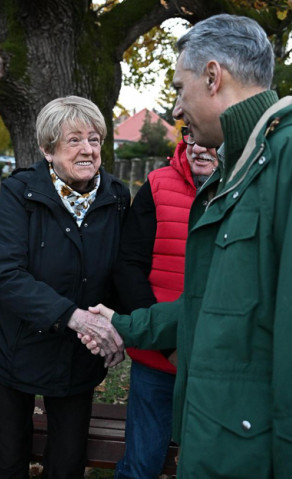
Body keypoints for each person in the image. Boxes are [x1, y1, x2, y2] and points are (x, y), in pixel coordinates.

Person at [82, 14, 292, 478]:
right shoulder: (245, 167)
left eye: (179, 87)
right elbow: (217, 308)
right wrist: (125, 324)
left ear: (212, 76)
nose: (176, 109)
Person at [0, 96, 130, 478]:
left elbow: (123, 273)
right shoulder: (21, 192)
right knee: (8, 461)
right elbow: (6, 275)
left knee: (67, 461)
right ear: (47, 149)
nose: (88, 150)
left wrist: (119, 327)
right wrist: (73, 317)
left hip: (76, 355)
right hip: (13, 346)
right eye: (73, 140)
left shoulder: (117, 197)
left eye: (94, 139)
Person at [113, 130, 217, 478]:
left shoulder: (245, 190)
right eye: (193, 137)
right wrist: (166, 343)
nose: (201, 148)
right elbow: (129, 266)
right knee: (141, 465)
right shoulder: (157, 186)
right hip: (158, 361)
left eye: (211, 140)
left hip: (215, 364)